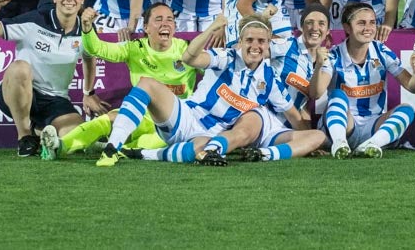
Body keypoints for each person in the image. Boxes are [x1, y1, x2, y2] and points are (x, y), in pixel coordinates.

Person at [97, 15, 325, 166]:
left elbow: (293, 114)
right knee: (147, 83)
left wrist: (306, 144)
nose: (255, 46)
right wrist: (211, 30)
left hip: (210, 135)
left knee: (201, 150)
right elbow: (189, 58)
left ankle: (143, 154)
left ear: (268, 45)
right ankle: (112, 147)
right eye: (250, 40)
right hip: (186, 117)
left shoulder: (269, 80)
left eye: (261, 42)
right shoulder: (226, 57)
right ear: (241, 41)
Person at [40, 3, 197, 159]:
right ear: (146, 27)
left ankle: (112, 148)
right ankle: (60, 146)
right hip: (139, 115)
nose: (165, 24)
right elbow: (97, 49)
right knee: (105, 120)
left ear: (175, 27)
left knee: (150, 143)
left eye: (170, 20)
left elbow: (215, 69)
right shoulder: (134, 48)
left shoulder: (188, 50)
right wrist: (87, 28)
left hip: (174, 123)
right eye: (159, 19)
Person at [0, 0, 100, 157]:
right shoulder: (34, 20)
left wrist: (88, 93)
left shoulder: (86, 28)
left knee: (75, 138)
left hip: (56, 100)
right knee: (20, 67)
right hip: (20, 92)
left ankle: (39, 131)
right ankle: (25, 137)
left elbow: (90, 58)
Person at [310, 2, 415, 158]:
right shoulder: (334, 54)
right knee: (337, 96)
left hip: (373, 126)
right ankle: (339, 144)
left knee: (407, 109)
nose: (368, 28)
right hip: (345, 127)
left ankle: (372, 145)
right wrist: (318, 66)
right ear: (347, 27)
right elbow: (316, 94)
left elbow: (413, 87)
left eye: (372, 22)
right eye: (361, 23)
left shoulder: (382, 51)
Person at [270, 3, 329, 117]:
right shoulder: (287, 45)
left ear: (327, 31)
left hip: (291, 125)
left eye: (321, 23)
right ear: (301, 27)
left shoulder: (327, 62)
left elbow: (314, 95)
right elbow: (253, 52)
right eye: (309, 22)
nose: (315, 28)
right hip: (267, 117)